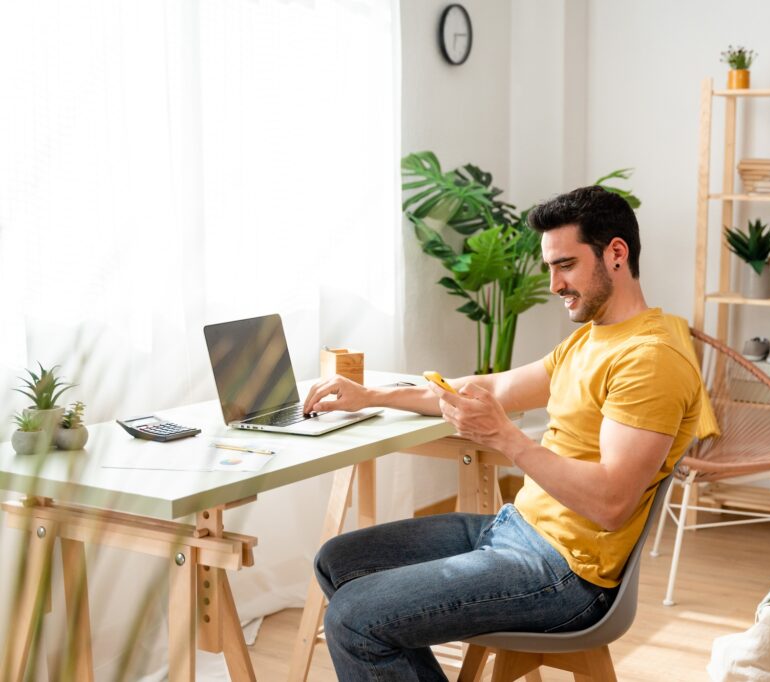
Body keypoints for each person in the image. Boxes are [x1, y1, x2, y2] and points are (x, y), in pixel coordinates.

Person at [303, 185, 712, 681]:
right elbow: (493, 386)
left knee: (353, 618)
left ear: (616, 254)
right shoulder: (593, 338)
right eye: (550, 268)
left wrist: (508, 440)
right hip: (517, 530)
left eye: (565, 265)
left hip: (567, 573)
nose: (555, 284)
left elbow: (611, 503)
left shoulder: (649, 359)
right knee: (337, 562)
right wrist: (371, 395)